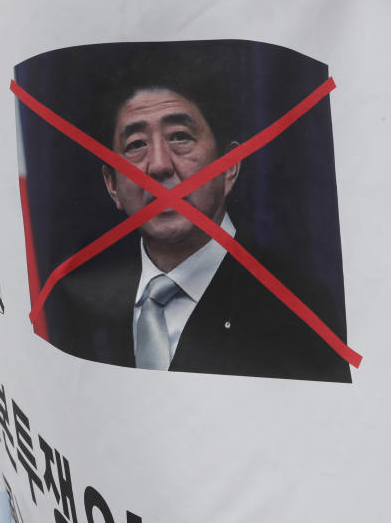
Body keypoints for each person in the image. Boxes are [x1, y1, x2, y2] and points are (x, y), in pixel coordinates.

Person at [43, 67, 351, 383]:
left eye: (180, 137)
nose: (159, 165)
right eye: (136, 144)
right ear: (112, 184)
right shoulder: (82, 300)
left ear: (229, 166)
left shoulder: (300, 312)